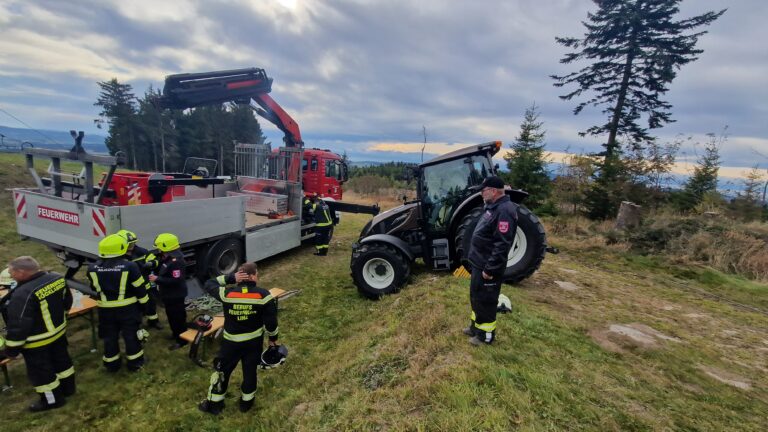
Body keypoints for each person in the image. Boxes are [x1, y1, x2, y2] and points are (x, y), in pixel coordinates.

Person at [198, 262, 279, 415]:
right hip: (253, 344)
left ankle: (215, 405)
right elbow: (271, 322)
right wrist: (273, 339)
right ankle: (246, 403)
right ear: (253, 275)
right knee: (250, 372)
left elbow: (209, 283)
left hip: (230, 344)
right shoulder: (264, 295)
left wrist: (229, 278)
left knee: (222, 372)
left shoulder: (227, 294)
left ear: (240, 277)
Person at [2, 256, 75, 411]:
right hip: (58, 332)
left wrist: (11, 351)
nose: (11, 275)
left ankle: (52, 401)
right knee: (62, 362)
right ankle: (69, 389)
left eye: (11, 272)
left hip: (37, 341)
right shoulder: (57, 278)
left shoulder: (23, 294)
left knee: (42, 373)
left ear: (22, 272)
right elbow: (67, 301)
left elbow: (19, 326)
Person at [464, 176, 517, 346]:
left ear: (493, 191)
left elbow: (502, 245)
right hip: (479, 263)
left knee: (486, 300)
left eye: (484, 190)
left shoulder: (504, 211)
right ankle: (475, 327)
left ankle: (485, 336)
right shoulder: (492, 207)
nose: (481, 193)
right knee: (476, 297)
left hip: (488, 267)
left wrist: (490, 269)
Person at [87, 234, 150, 372]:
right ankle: (135, 363)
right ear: (121, 248)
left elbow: (94, 288)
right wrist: (144, 306)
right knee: (131, 336)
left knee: (109, 336)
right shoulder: (130, 266)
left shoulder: (92, 268)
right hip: (128, 308)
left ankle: (112, 364)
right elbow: (140, 288)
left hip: (105, 310)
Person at [148, 233, 189, 350]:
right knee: (171, 316)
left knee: (178, 318)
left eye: (159, 247)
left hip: (175, 295)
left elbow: (176, 280)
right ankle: (175, 334)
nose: (158, 249)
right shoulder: (168, 257)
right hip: (168, 295)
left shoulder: (176, 261)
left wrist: (157, 279)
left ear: (165, 247)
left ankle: (182, 340)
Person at [118, 229, 163, 330]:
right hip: (130, 288)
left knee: (150, 304)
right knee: (134, 307)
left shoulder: (141, 251)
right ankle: (135, 326)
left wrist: (151, 263)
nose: (132, 245)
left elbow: (154, 260)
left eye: (133, 242)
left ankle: (153, 321)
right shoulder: (118, 256)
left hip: (145, 284)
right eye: (129, 243)